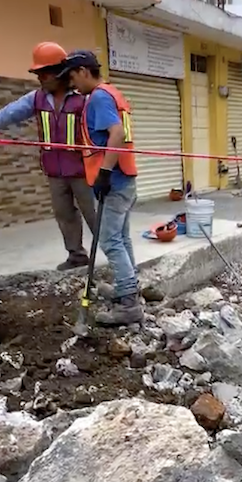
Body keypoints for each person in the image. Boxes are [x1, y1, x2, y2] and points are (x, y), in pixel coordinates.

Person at [0, 42, 96, 271]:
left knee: (94, 214)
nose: (40, 79)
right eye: (38, 74)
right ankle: (76, 255)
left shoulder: (84, 98)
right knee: (64, 214)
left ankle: (113, 253)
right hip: (54, 169)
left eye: (44, 74)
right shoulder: (37, 98)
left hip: (82, 169)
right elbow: (9, 113)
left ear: (60, 73)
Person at [57, 49, 143, 325]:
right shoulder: (112, 93)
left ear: (83, 71)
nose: (72, 84)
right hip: (125, 178)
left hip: (115, 181)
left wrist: (105, 172)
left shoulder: (98, 97)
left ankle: (129, 304)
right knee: (122, 238)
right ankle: (127, 287)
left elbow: (115, 132)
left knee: (109, 240)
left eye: (72, 76)